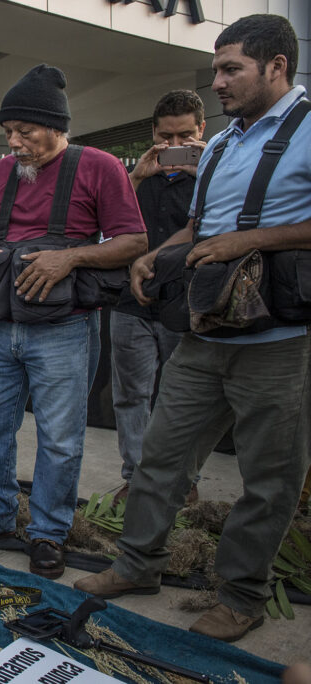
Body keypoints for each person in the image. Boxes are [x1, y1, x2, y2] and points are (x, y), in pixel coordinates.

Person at [75, 14, 311, 642]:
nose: (219, 81)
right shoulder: (224, 146)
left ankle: (241, 597)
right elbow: (200, 229)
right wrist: (160, 252)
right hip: (207, 332)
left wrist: (248, 240)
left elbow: (235, 237)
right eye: (216, 69)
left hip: (281, 343)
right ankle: (138, 565)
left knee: (268, 479)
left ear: (277, 66)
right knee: (159, 456)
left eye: (231, 68)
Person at [0, 65, 147, 579]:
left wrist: (71, 258)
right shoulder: (0, 174)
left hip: (65, 327)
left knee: (60, 437)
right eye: (8, 131)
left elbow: (134, 241)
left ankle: (48, 532)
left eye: (25, 132)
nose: (14, 142)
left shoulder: (100, 166)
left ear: (57, 126)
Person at [111, 90, 208, 506]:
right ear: (153, 133)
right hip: (130, 304)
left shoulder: (214, 175)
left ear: (201, 131)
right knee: (130, 395)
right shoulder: (132, 176)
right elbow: (106, 227)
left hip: (187, 304)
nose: (173, 147)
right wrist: (135, 178)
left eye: (184, 136)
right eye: (165, 137)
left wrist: (207, 170)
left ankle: (184, 481)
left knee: (183, 397)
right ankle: (136, 477)